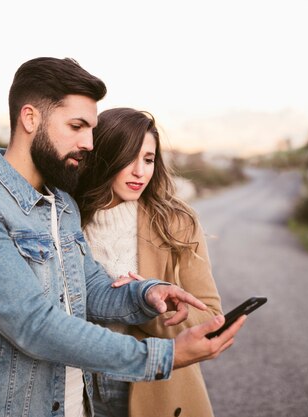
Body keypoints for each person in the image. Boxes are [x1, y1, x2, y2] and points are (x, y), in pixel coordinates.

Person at [0, 57, 245, 417]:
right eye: (77, 126)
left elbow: (89, 289)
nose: (90, 143)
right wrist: (164, 356)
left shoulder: (61, 204)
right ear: (30, 119)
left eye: (91, 128)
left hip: (72, 406)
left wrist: (147, 293)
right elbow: (34, 325)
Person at [75, 108, 222, 417]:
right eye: (129, 158)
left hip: (150, 390)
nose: (140, 172)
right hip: (76, 385)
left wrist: (142, 303)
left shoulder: (176, 222)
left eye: (148, 159)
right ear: (102, 157)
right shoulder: (65, 219)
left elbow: (208, 317)